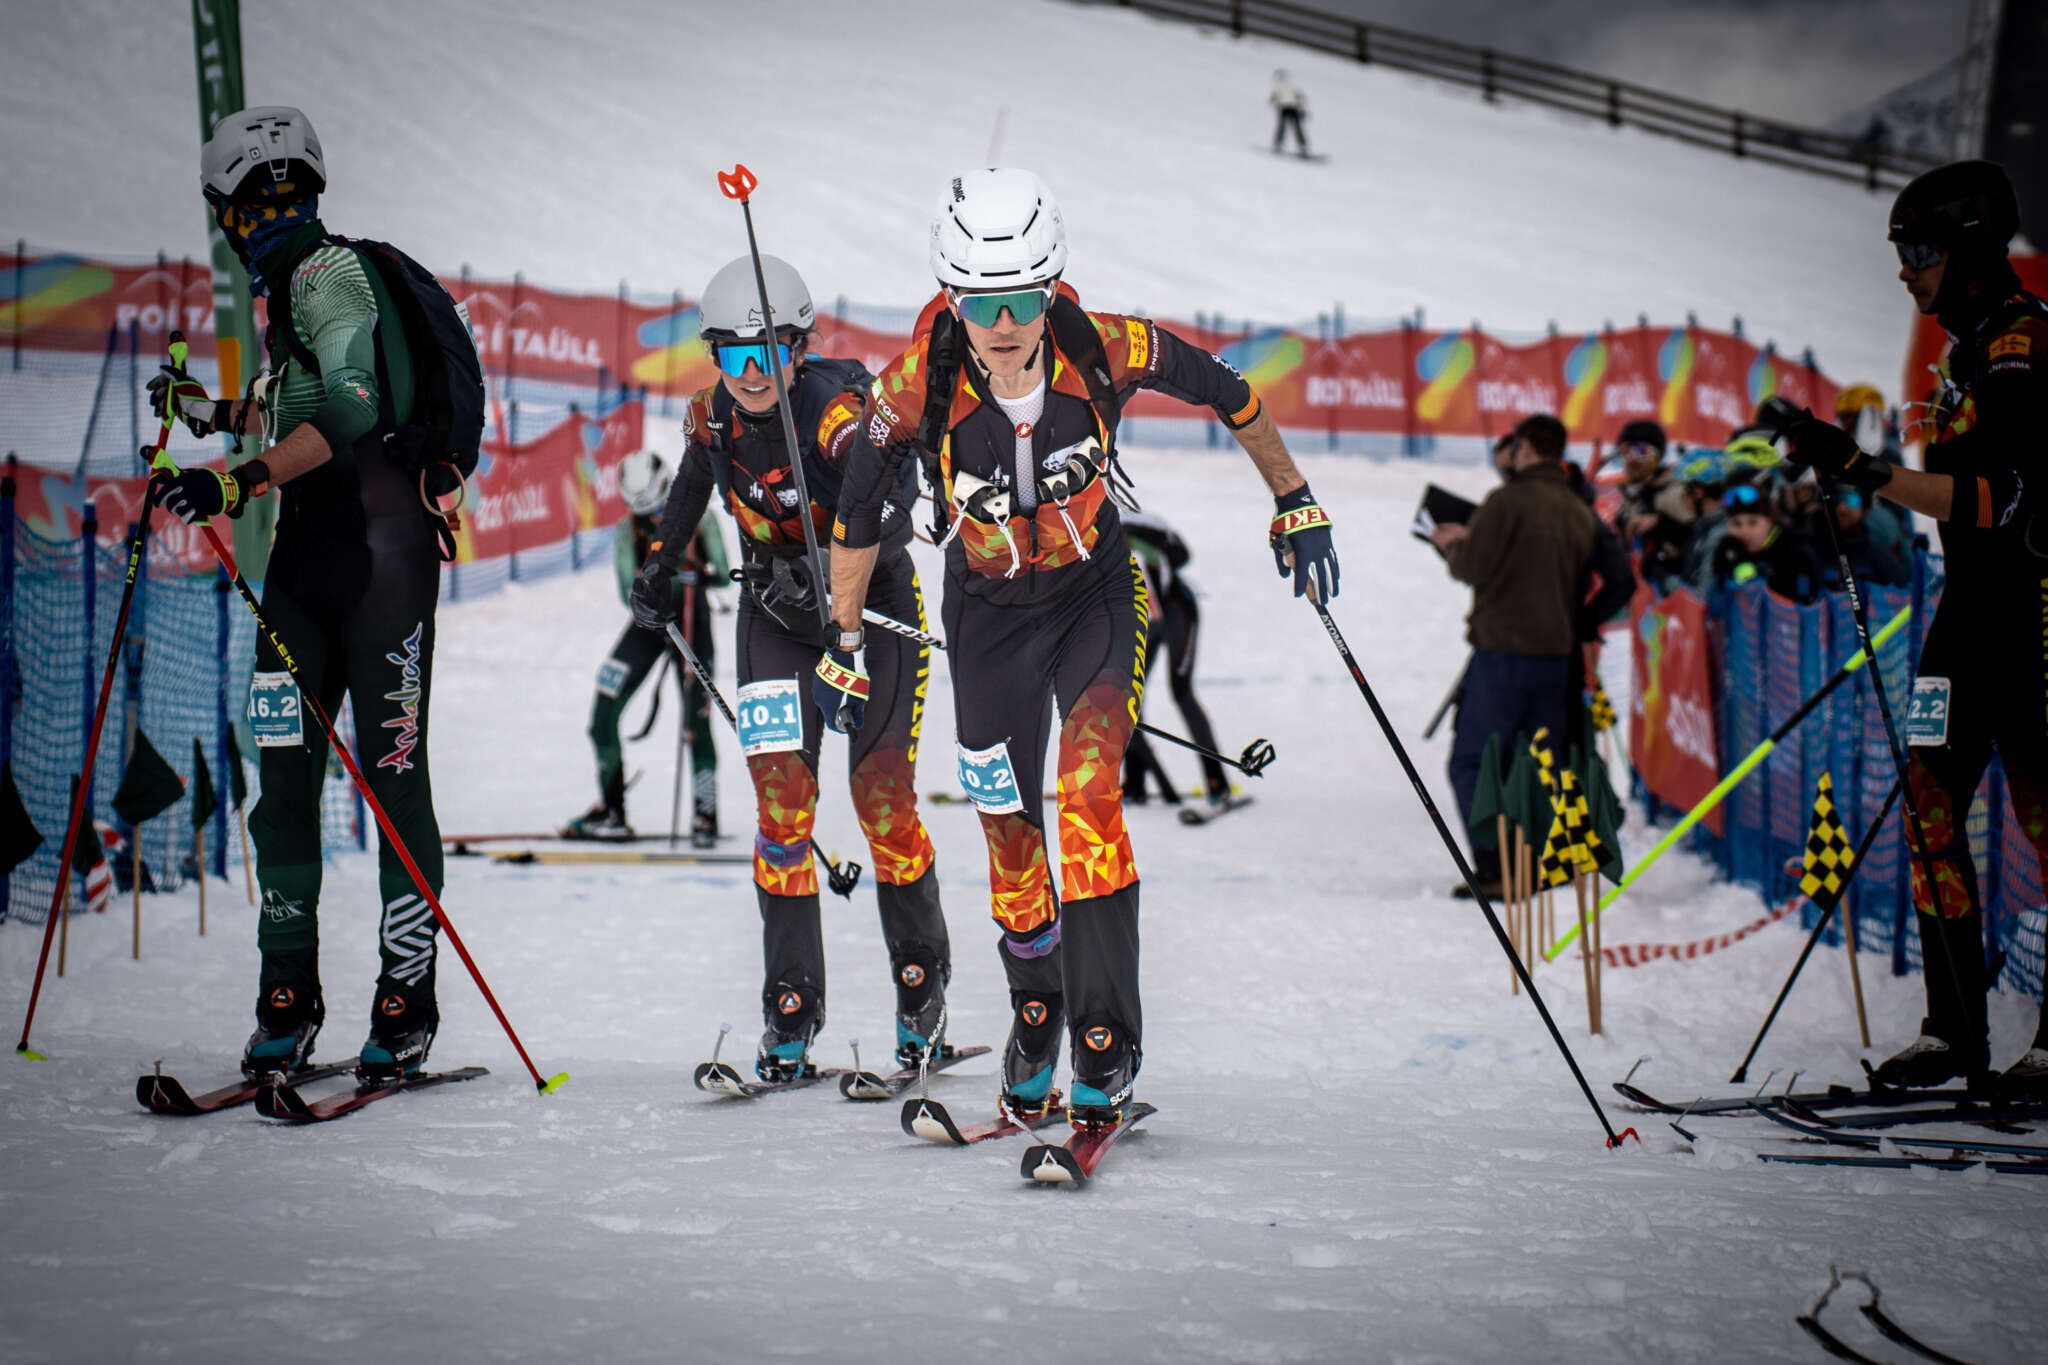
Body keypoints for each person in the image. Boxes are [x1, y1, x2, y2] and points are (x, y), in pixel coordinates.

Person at [827, 169, 1339, 1124]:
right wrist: (843, 641)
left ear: (1050, 286)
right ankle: (1037, 1012)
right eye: (980, 302)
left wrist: (1294, 497)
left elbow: (1230, 392)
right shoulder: (913, 382)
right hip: (984, 618)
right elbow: (857, 509)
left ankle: (1106, 1040)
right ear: (952, 299)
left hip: (1095, 596)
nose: (1004, 322)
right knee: (1006, 825)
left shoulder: (1105, 343)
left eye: (1022, 298)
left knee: (1089, 794)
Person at [148, 106, 475, 1079]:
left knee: (389, 777)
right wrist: (205, 416)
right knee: (282, 777)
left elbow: (353, 404)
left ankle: (403, 997)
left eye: (244, 206)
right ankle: (285, 996)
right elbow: (297, 399)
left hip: (383, 565)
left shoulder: (327, 275)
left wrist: (237, 479)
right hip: (306, 567)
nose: (246, 222)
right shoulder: (290, 291)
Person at [630, 255, 952, 1081]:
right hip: (775, 623)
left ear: (798, 350)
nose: (750, 377)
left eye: (766, 356)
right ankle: (791, 1010)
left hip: (871, 619)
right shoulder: (712, 420)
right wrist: (660, 564)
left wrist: (848, 552)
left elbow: (896, 489)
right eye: (732, 358)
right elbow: (692, 488)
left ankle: (921, 995)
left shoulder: (836, 415)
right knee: (782, 811)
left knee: (881, 799)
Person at [1771, 159, 2048, 1095]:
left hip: (2034, 614)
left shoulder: (2022, 346)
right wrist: (1839, 458)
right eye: (1899, 252)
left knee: (2042, 815)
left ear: (1970, 250)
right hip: (1966, 616)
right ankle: (1953, 1031)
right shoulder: (1963, 351)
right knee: (1930, 798)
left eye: (1919, 251)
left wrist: (1866, 470)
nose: (1905, 270)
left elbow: (1997, 497)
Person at [1431, 414, 1609, 897]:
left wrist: (1451, 545)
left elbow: (1472, 568)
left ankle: (1496, 868)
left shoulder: (1507, 500)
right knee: (1540, 762)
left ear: (1526, 449)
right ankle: (1547, 860)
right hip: (1556, 655)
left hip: (1504, 652)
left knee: (1473, 762)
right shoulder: (1575, 509)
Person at [561, 450, 726, 843]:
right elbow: (624, 592)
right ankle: (612, 809)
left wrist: (697, 574)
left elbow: (722, 576)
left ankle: (706, 815)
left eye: (659, 507)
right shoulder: (626, 530)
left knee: (696, 722)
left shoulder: (701, 519)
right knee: (603, 711)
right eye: (645, 511)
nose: (653, 517)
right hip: (648, 627)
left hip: (691, 624)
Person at [1120, 509, 1227, 806]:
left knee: (1181, 691)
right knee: (1128, 696)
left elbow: (1155, 588)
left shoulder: (1125, 537)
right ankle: (1136, 782)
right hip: (1148, 616)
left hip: (1177, 612)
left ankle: (1216, 780)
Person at [1610, 419, 1693, 591]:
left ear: (1657, 456)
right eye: (1626, 451)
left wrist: (1660, 523)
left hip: (1669, 588)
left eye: (1642, 451)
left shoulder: (1673, 493)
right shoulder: (1625, 496)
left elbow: (1695, 535)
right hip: (1635, 589)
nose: (1633, 459)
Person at [1709, 482, 1821, 602]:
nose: (1744, 531)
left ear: (1770, 521)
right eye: (1736, 524)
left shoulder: (1794, 550)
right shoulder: (1728, 549)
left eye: (1753, 522)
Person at [1270, 69, 1311, 157]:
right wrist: (1302, 108)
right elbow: (1300, 96)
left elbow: (1274, 98)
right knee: (1295, 128)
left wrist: (1273, 101)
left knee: (1283, 127)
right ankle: (1302, 147)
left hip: (1286, 108)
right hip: (1292, 108)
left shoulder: (1279, 87)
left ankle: (1279, 144)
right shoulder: (1291, 86)